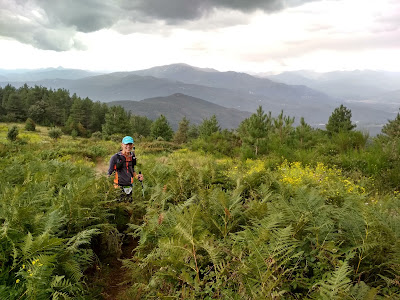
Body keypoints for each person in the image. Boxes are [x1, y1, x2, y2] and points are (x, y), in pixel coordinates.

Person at [108, 136, 144, 202]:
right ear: (122, 145)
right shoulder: (115, 158)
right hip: (118, 187)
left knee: (129, 207)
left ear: (133, 145)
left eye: (130, 144)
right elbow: (109, 174)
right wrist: (110, 189)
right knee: (120, 207)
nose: (128, 146)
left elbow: (132, 170)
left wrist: (137, 177)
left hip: (129, 186)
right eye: (126, 144)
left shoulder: (132, 156)